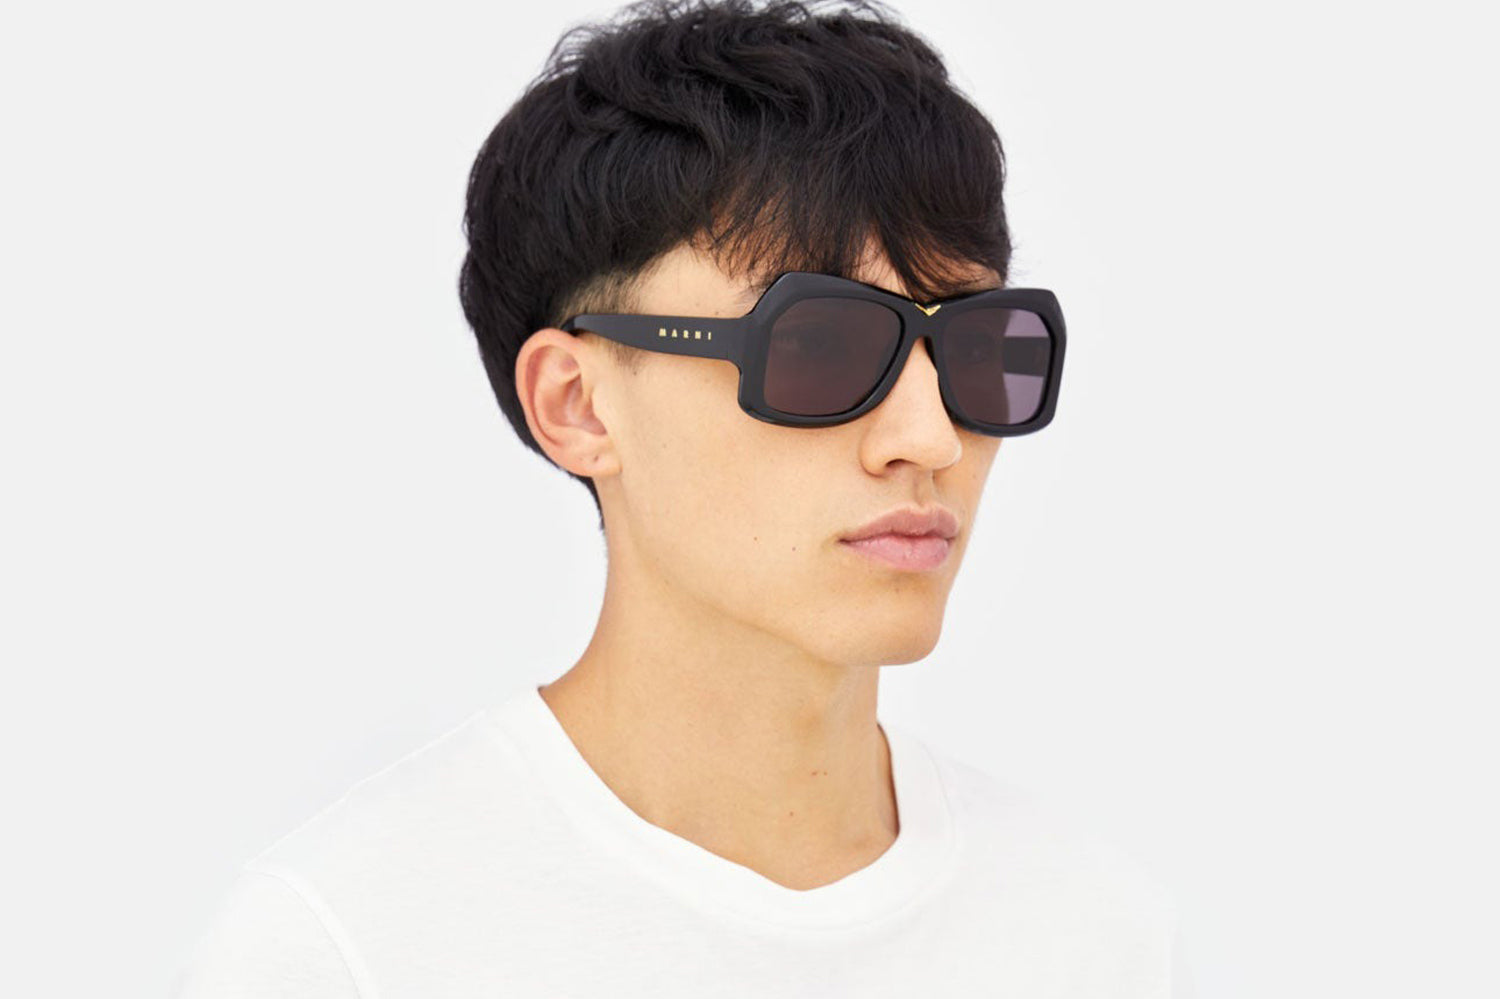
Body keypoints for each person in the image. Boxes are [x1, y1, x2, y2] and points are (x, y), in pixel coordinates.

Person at [174, 0, 1188, 995]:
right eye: (821, 345)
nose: (929, 439)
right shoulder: (352, 945)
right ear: (577, 404)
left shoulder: (1088, 934)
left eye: (976, 347)